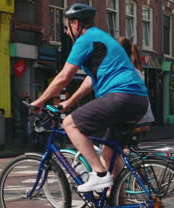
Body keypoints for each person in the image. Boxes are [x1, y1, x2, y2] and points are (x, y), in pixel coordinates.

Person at [31, 3, 148, 193]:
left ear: (75, 24)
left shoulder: (86, 40)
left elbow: (63, 77)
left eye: (66, 27)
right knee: (110, 153)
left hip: (120, 96)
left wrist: (39, 101)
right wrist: (68, 102)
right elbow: (90, 80)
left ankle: (99, 175)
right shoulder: (102, 38)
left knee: (70, 124)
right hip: (137, 100)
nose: (67, 32)